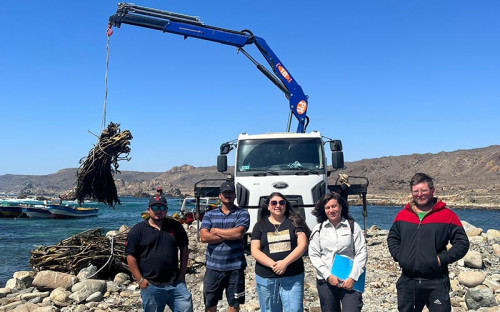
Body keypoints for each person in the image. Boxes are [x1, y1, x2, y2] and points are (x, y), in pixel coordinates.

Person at [387, 173, 469, 312]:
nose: (420, 194)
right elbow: (393, 238)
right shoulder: (403, 215)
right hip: (408, 281)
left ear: (433, 191)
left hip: (436, 281)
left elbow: (462, 243)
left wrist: (440, 259)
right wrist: (400, 256)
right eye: (416, 191)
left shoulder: (447, 215)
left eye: (424, 190)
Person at [126, 195, 193, 312]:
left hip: (175, 283)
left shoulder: (176, 226)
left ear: (166, 210)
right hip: (151, 284)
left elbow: (184, 248)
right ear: (148, 210)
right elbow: (131, 256)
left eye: (162, 208)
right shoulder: (137, 230)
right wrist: (140, 280)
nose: (158, 211)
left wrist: (182, 274)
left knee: (186, 308)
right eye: (155, 208)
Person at [250, 192, 310, 312]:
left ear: (285, 205)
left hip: (292, 276)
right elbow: (255, 250)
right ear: (268, 206)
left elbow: (303, 244)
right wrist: (274, 265)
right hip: (267, 277)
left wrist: (285, 263)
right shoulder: (260, 225)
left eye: (281, 202)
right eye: (274, 203)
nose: (278, 205)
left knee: (295, 309)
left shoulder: (295, 222)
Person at [308, 192, 367, 312]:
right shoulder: (319, 229)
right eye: (328, 207)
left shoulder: (353, 227)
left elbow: (362, 252)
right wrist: (328, 276)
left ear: (340, 206)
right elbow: (314, 255)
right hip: (327, 280)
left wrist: (353, 277)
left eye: (334, 206)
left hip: (350, 279)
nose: (331, 210)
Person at [200, 181, 250, 312]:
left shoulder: (242, 213)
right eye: (225, 193)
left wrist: (215, 230)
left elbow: (239, 233)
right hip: (213, 267)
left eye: (230, 192)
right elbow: (204, 237)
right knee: (210, 304)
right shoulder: (209, 214)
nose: (228, 195)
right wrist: (230, 233)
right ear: (220, 196)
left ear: (235, 195)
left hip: (235, 267)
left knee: (234, 304)